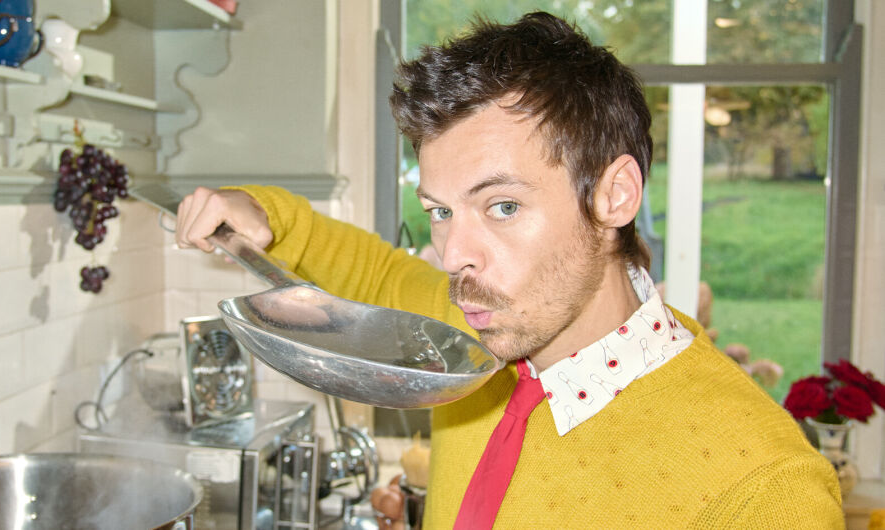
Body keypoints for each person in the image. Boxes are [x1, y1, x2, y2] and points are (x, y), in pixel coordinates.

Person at [175, 12, 843, 529]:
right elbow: (375, 275)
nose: (453, 256)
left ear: (615, 195)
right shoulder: (462, 337)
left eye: (502, 206)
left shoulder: (765, 489)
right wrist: (263, 216)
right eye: (440, 211)